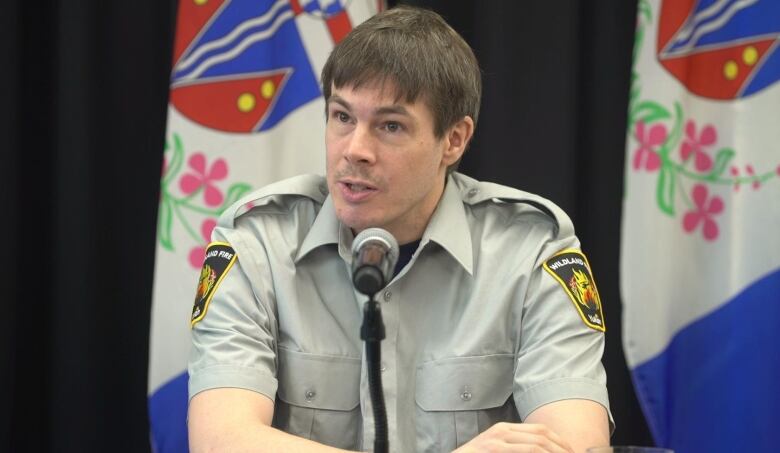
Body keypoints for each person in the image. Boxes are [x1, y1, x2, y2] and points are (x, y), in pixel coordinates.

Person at [187, 6, 612, 452]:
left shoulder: (529, 251)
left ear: (454, 140)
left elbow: (577, 444)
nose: (355, 150)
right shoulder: (259, 244)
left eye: (390, 126)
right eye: (342, 116)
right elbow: (220, 441)